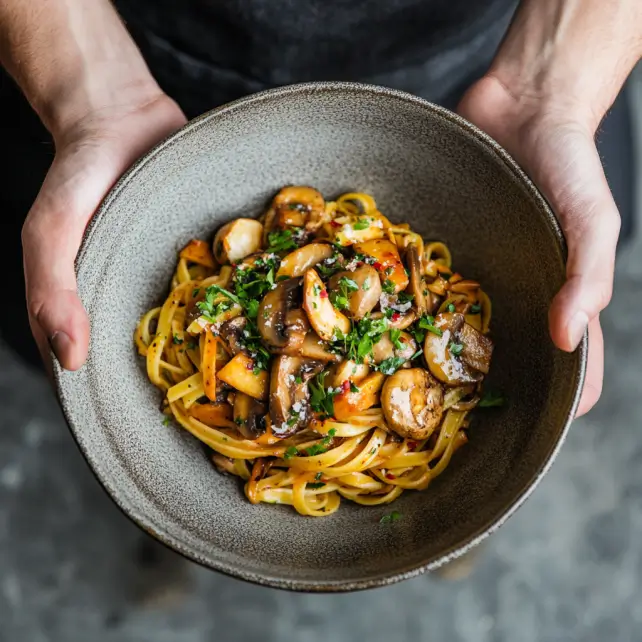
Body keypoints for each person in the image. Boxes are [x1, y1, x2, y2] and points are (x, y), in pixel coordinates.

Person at [0, 0, 638, 418]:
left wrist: (555, 86)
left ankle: (450, 518)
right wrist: (80, 79)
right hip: (131, 50)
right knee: (72, 338)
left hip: (500, 51)